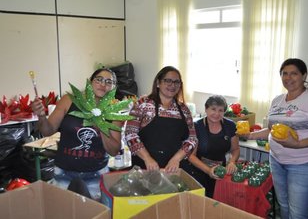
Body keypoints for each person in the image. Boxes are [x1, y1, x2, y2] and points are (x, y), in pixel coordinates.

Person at [244, 58, 308, 219]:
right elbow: (272, 130)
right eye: (284, 74)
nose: (288, 77)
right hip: (277, 161)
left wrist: (299, 144)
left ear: (304, 75)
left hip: (306, 165)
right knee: (284, 206)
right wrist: (250, 135)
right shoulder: (277, 101)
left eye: (294, 73)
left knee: (298, 214)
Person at [31, 68, 122, 201]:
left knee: (95, 213)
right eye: (99, 79)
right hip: (64, 171)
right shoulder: (69, 100)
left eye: (109, 82)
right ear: (90, 82)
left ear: (113, 88)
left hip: (95, 174)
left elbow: (114, 151)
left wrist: (101, 126)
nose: (103, 84)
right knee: (62, 211)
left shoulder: (114, 112)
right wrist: (41, 117)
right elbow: (47, 131)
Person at [125, 66, 197, 173]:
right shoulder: (142, 104)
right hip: (145, 166)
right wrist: (147, 158)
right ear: (158, 83)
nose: (172, 85)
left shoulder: (184, 109)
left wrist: (176, 159)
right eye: (168, 80)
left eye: (177, 82)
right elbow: (130, 134)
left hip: (174, 168)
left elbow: (192, 139)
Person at [188, 95, 240, 198]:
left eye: (220, 110)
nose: (216, 114)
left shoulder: (230, 125)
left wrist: (232, 162)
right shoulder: (197, 126)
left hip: (220, 172)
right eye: (213, 109)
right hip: (199, 171)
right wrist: (208, 170)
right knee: (200, 200)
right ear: (206, 109)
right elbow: (191, 156)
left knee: (216, 201)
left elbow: (235, 149)